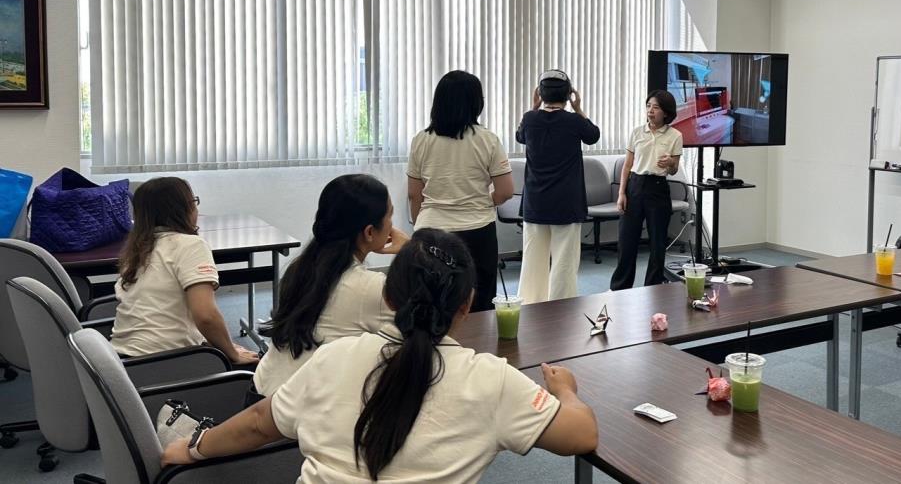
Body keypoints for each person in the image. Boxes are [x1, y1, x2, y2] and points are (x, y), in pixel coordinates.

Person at [162, 229, 599, 482]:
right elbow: (580, 436)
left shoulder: (335, 356)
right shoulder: (490, 380)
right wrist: (566, 391)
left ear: (388, 296)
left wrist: (194, 448)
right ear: (467, 306)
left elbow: (260, 422)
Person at [254, 174, 409, 396]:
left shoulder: (299, 268)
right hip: (301, 408)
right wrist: (410, 251)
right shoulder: (369, 288)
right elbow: (428, 319)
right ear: (369, 232)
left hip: (263, 392)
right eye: (390, 216)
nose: (392, 225)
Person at [109, 177, 258, 365]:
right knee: (254, 370)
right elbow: (206, 317)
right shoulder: (190, 245)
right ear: (184, 209)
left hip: (124, 361)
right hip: (166, 361)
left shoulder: (137, 250)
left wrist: (222, 344)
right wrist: (232, 354)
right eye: (193, 202)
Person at [408, 70, 514, 312]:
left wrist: (420, 225)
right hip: (477, 231)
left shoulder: (421, 140)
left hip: (430, 230)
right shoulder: (487, 139)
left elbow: (414, 194)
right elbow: (506, 191)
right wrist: (485, 201)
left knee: (431, 301)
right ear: (476, 103)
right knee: (478, 302)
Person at [515, 70, 601, 303]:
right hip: (566, 202)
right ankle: (561, 309)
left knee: (533, 260)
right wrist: (578, 108)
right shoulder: (574, 121)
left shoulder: (530, 119)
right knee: (564, 261)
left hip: (536, 202)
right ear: (568, 94)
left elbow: (520, 136)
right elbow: (593, 135)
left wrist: (533, 107)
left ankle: (530, 304)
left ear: (540, 94)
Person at [610, 90, 683, 290]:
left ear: (666, 112)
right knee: (626, 241)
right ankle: (620, 287)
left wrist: (670, 163)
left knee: (658, 243)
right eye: (648, 106)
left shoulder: (675, 135)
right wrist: (621, 193)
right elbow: (627, 165)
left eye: (656, 107)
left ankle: (653, 287)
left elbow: (674, 169)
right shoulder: (637, 132)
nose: (650, 110)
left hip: (658, 188)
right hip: (635, 185)